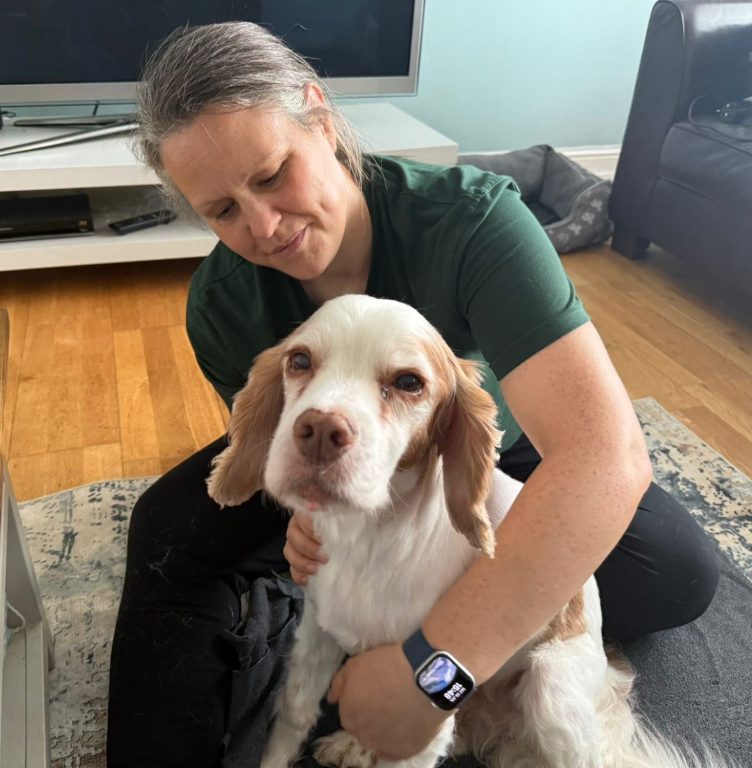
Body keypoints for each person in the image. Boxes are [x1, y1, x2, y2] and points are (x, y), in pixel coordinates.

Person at [107, 21, 719, 768]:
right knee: (166, 528)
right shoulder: (223, 304)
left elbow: (606, 457)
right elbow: (278, 462)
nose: (264, 226)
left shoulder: (476, 223)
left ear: (321, 118)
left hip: (490, 454)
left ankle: (395, 631)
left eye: (271, 176)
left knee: (676, 569)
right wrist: (303, 519)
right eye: (223, 211)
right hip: (335, 462)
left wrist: (434, 672)